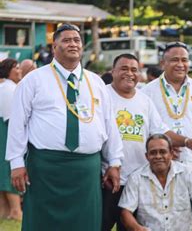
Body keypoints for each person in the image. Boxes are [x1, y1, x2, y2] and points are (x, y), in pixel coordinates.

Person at [5, 24, 124, 231]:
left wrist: (113, 161)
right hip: (46, 167)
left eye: (77, 40)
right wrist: (16, 163)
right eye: (66, 40)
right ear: (54, 47)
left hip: (86, 169)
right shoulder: (34, 80)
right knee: (43, 224)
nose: (73, 44)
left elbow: (109, 124)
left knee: (85, 224)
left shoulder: (95, 82)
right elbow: (18, 124)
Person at [102, 54, 192, 231]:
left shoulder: (143, 100)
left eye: (134, 70)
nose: (130, 74)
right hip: (108, 180)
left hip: (136, 180)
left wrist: (186, 142)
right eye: (124, 69)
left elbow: (161, 132)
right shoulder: (103, 95)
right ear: (113, 72)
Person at [142, 42, 192, 173]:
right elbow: (145, 129)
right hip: (161, 164)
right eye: (174, 60)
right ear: (162, 64)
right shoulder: (147, 92)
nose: (180, 64)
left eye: (184, 60)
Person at [119, 134, 192, 231]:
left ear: (171, 154)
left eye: (163, 152)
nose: (158, 156)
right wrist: (137, 228)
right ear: (147, 156)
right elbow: (125, 212)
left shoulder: (188, 173)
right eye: (153, 153)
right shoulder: (136, 178)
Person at [0, 58, 22, 221]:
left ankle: (6, 210)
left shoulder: (6, 87)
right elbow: (14, 120)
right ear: (8, 70)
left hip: (5, 132)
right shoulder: (10, 89)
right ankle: (15, 210)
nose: (19, 71)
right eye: (17, 68)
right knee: (8, 171)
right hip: (7, 134)